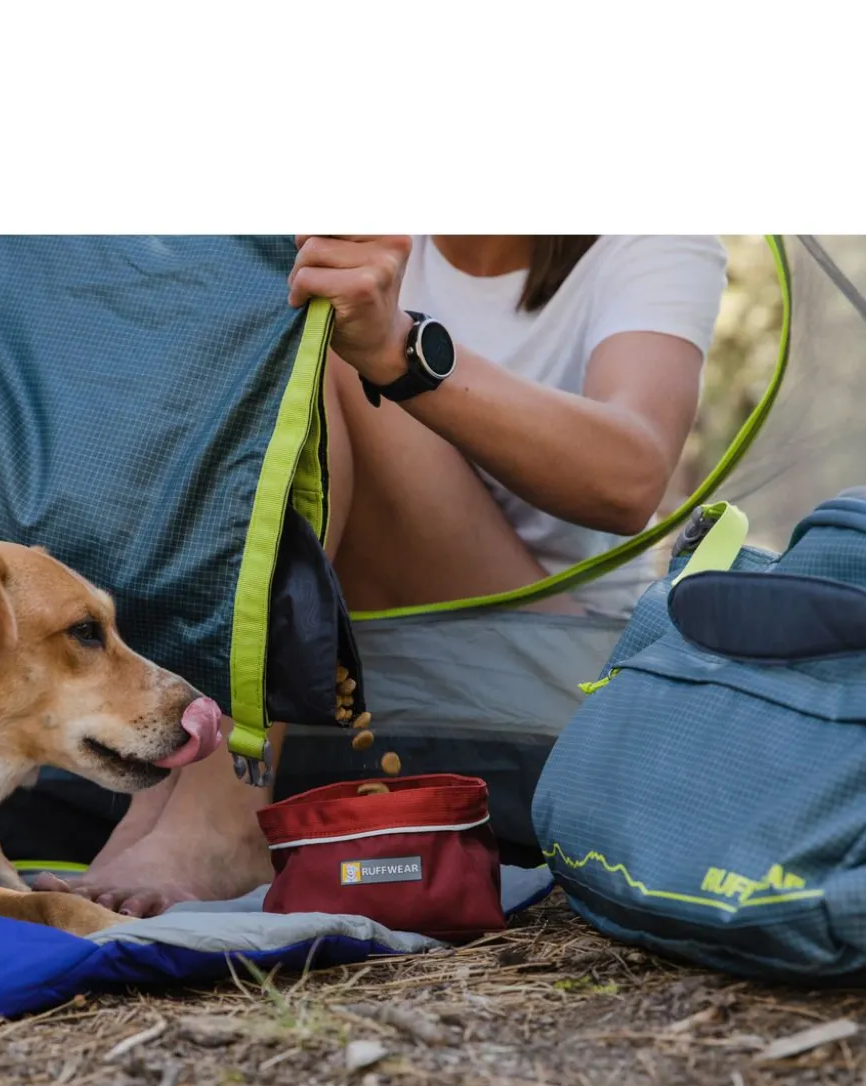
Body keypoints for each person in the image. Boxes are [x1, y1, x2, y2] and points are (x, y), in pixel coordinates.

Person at [36, 234, 728, 916]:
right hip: (346, 658)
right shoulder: (359, 229)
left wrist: (398, 348)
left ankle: (224, 817)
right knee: (257, 308)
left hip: (541, 668)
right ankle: (159, 804)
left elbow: (629, 478)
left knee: (318, 334)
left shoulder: (647, 242)